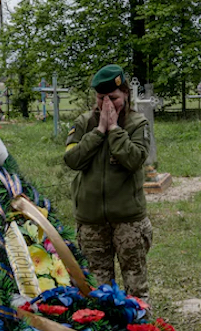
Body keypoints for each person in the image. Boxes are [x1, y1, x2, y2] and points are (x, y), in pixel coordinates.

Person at [64, 64, 153, 299]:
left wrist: (114, 129)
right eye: (101, 98)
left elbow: (134, 159)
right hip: (91, 220)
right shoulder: (83, 123)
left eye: (113, 98)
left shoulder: (137, 124)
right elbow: (72, 159)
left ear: (125, 94)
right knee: (97, 289)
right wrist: (98, 131)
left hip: (128, 221)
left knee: (135, 285)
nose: (106, 104)